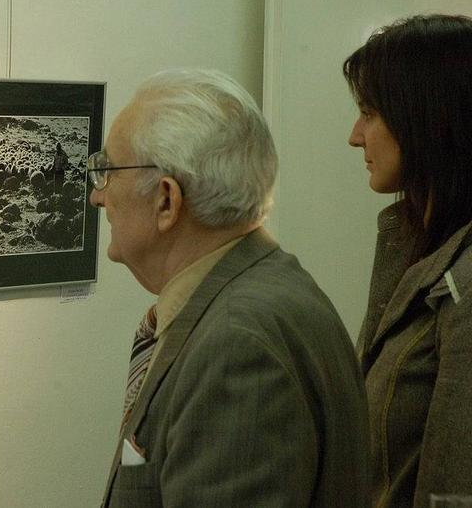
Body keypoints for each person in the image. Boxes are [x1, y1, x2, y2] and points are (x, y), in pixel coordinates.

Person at [90, 68, 368, 507]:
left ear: (166, 200)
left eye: (108, 172)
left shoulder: (238, 344)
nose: (98, 196)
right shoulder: (260, 292)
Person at [344, 14, 472, 508]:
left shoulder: (466, 279)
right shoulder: (412, 245)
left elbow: (454, 491)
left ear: (426, 117)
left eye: (369, 113)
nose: (356, 136)